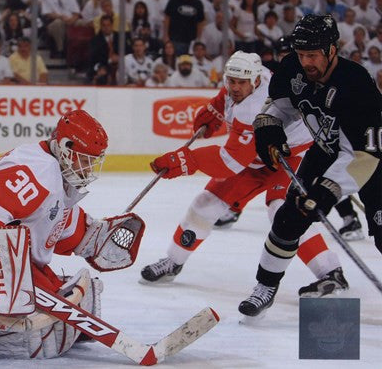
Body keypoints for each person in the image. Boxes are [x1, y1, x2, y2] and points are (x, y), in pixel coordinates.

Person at [140, 51, 350, 299]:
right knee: (204, 204)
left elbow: (229, 163)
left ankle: (330, 272)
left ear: (256, 82)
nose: (235, 87)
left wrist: (188, 159)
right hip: (255, 158)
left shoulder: (256, 107)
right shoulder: (245, 76)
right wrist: (215, 110)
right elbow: (225, 98)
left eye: (241, 83)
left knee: (284, 213)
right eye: (231, 81)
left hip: (290, 158)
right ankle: (173, 262)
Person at [0, 110, 145, 358]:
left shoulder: (51, 169)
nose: (88, 168)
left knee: (78, 292)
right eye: (84, 159)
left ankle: (62, 320)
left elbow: (49, 218)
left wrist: (90, 237)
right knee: (51, 301)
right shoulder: (39, 172)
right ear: (66, 146)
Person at [238, 14, 382, 317]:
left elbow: (363, 156)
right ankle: (265, 286)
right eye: (301, 54)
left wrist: (329, 190)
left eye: (312, 55)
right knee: (289, 218)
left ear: (332, 50)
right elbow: (282, 105)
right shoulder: (293, 67)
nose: (305, 62)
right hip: (325, 151)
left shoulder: (357, 85)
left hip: (371, 161)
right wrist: (269, 125)